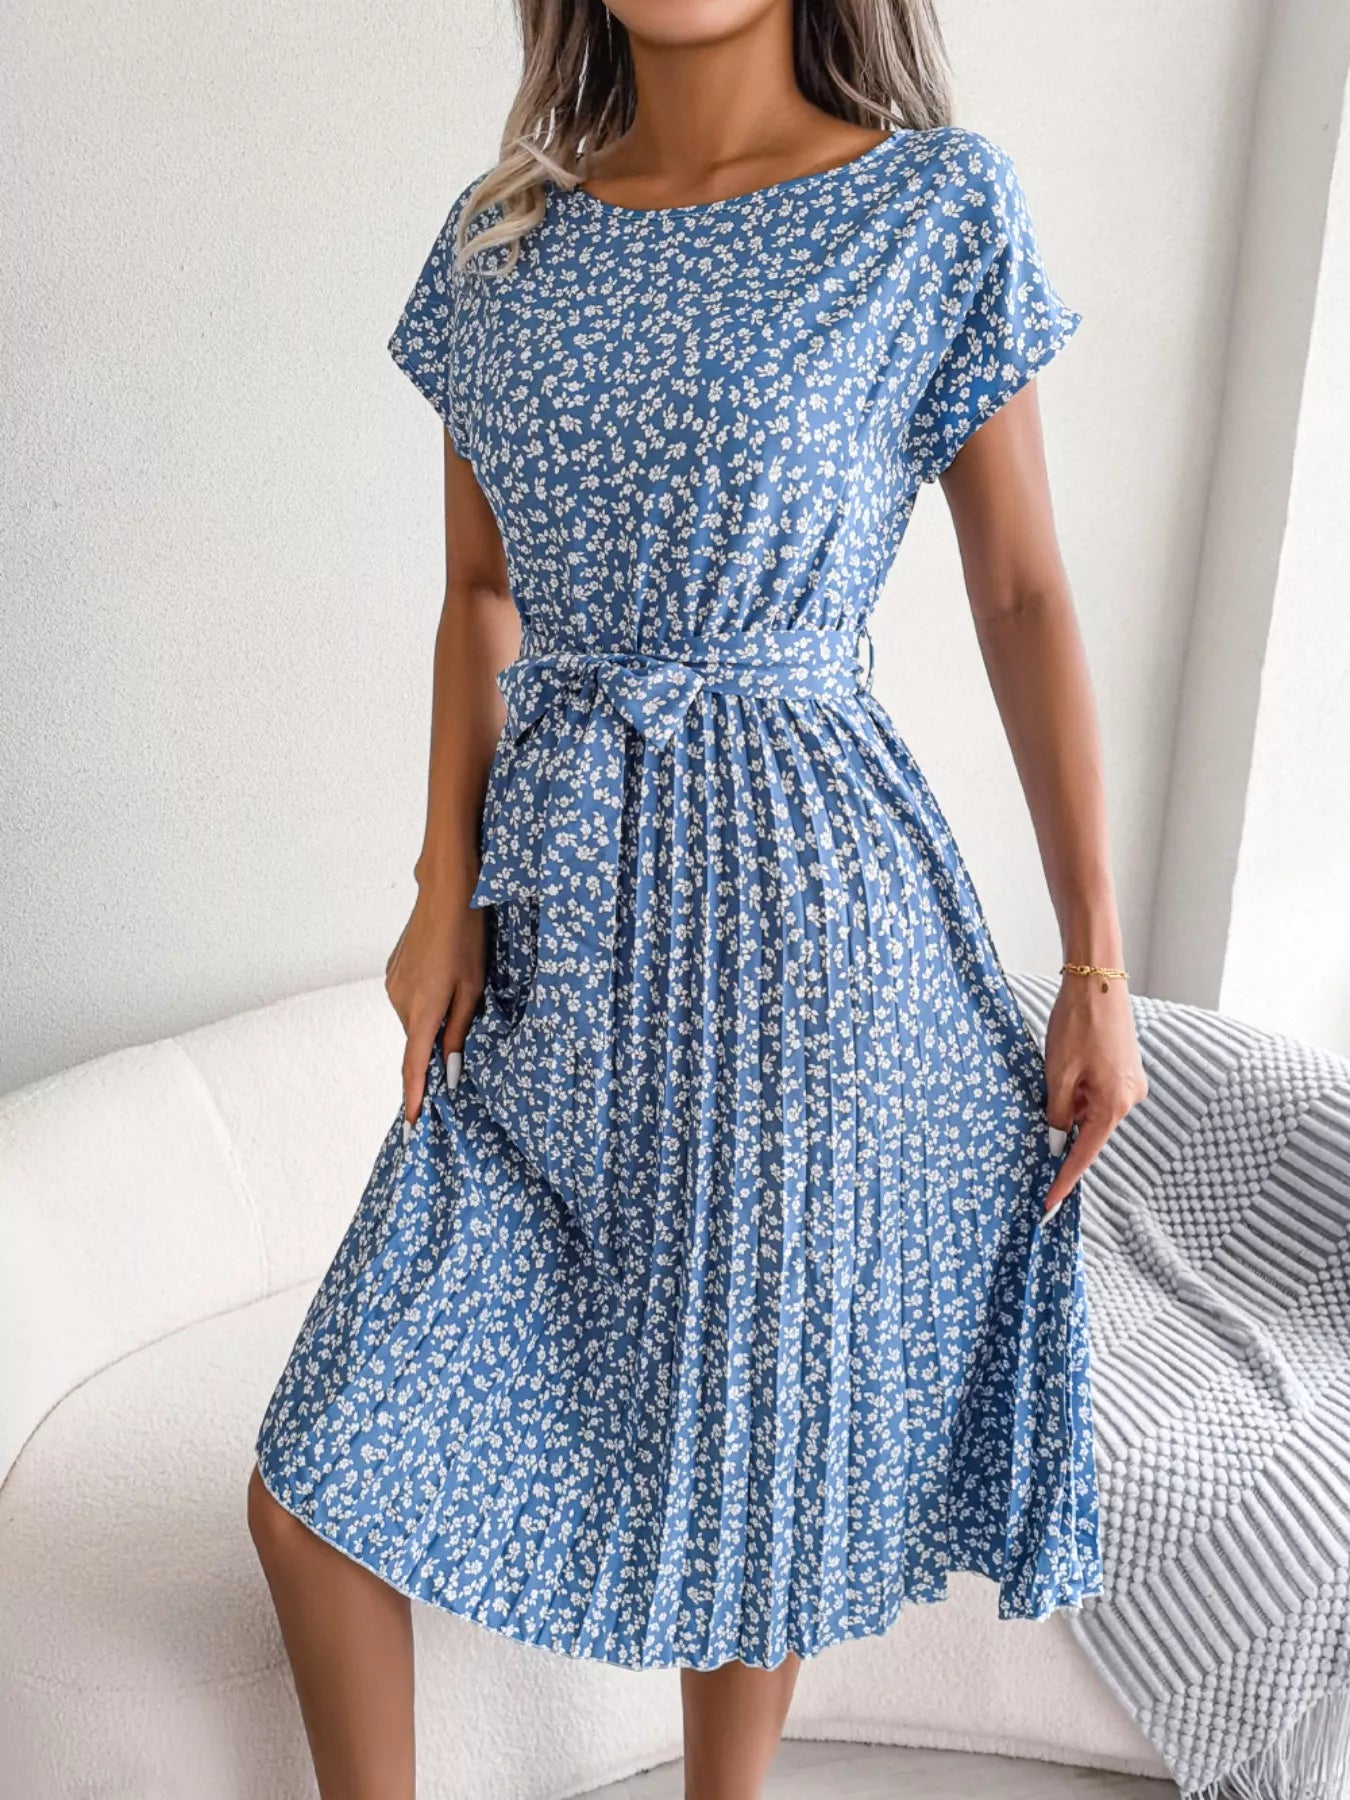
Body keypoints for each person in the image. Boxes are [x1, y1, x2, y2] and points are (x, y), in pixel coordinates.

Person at [247, 1, 1149, 1794]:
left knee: (761, 1428)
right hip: (561, 910)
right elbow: (481, 598)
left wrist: (1097, 959)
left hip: (813, 915)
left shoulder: (928, 210)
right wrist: (443, 889)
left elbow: (1026, 595)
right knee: (312, 1487)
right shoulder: (501, 238)